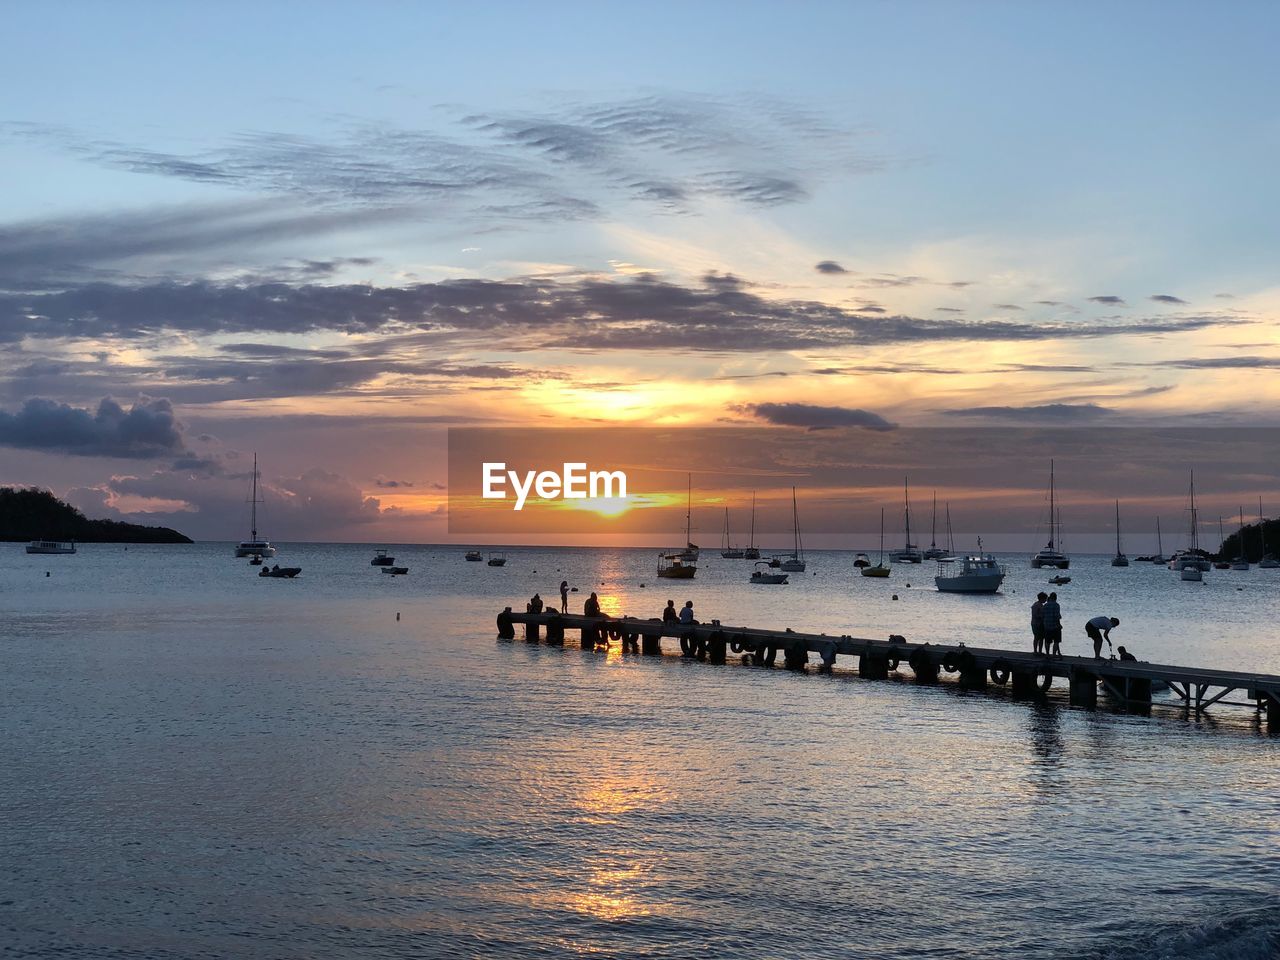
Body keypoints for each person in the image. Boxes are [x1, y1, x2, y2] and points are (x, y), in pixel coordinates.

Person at [1042, 592, 1062, 657]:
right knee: (1056, 641)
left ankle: (1047, 654)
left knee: (1047, 641)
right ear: (1056, 598)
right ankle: (1054, 655)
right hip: (1055, 626)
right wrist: (1059, 625)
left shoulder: (1045, 605)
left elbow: (1043, 616)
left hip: (1046, 625)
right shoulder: (1056, 605)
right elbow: (1057, 616)